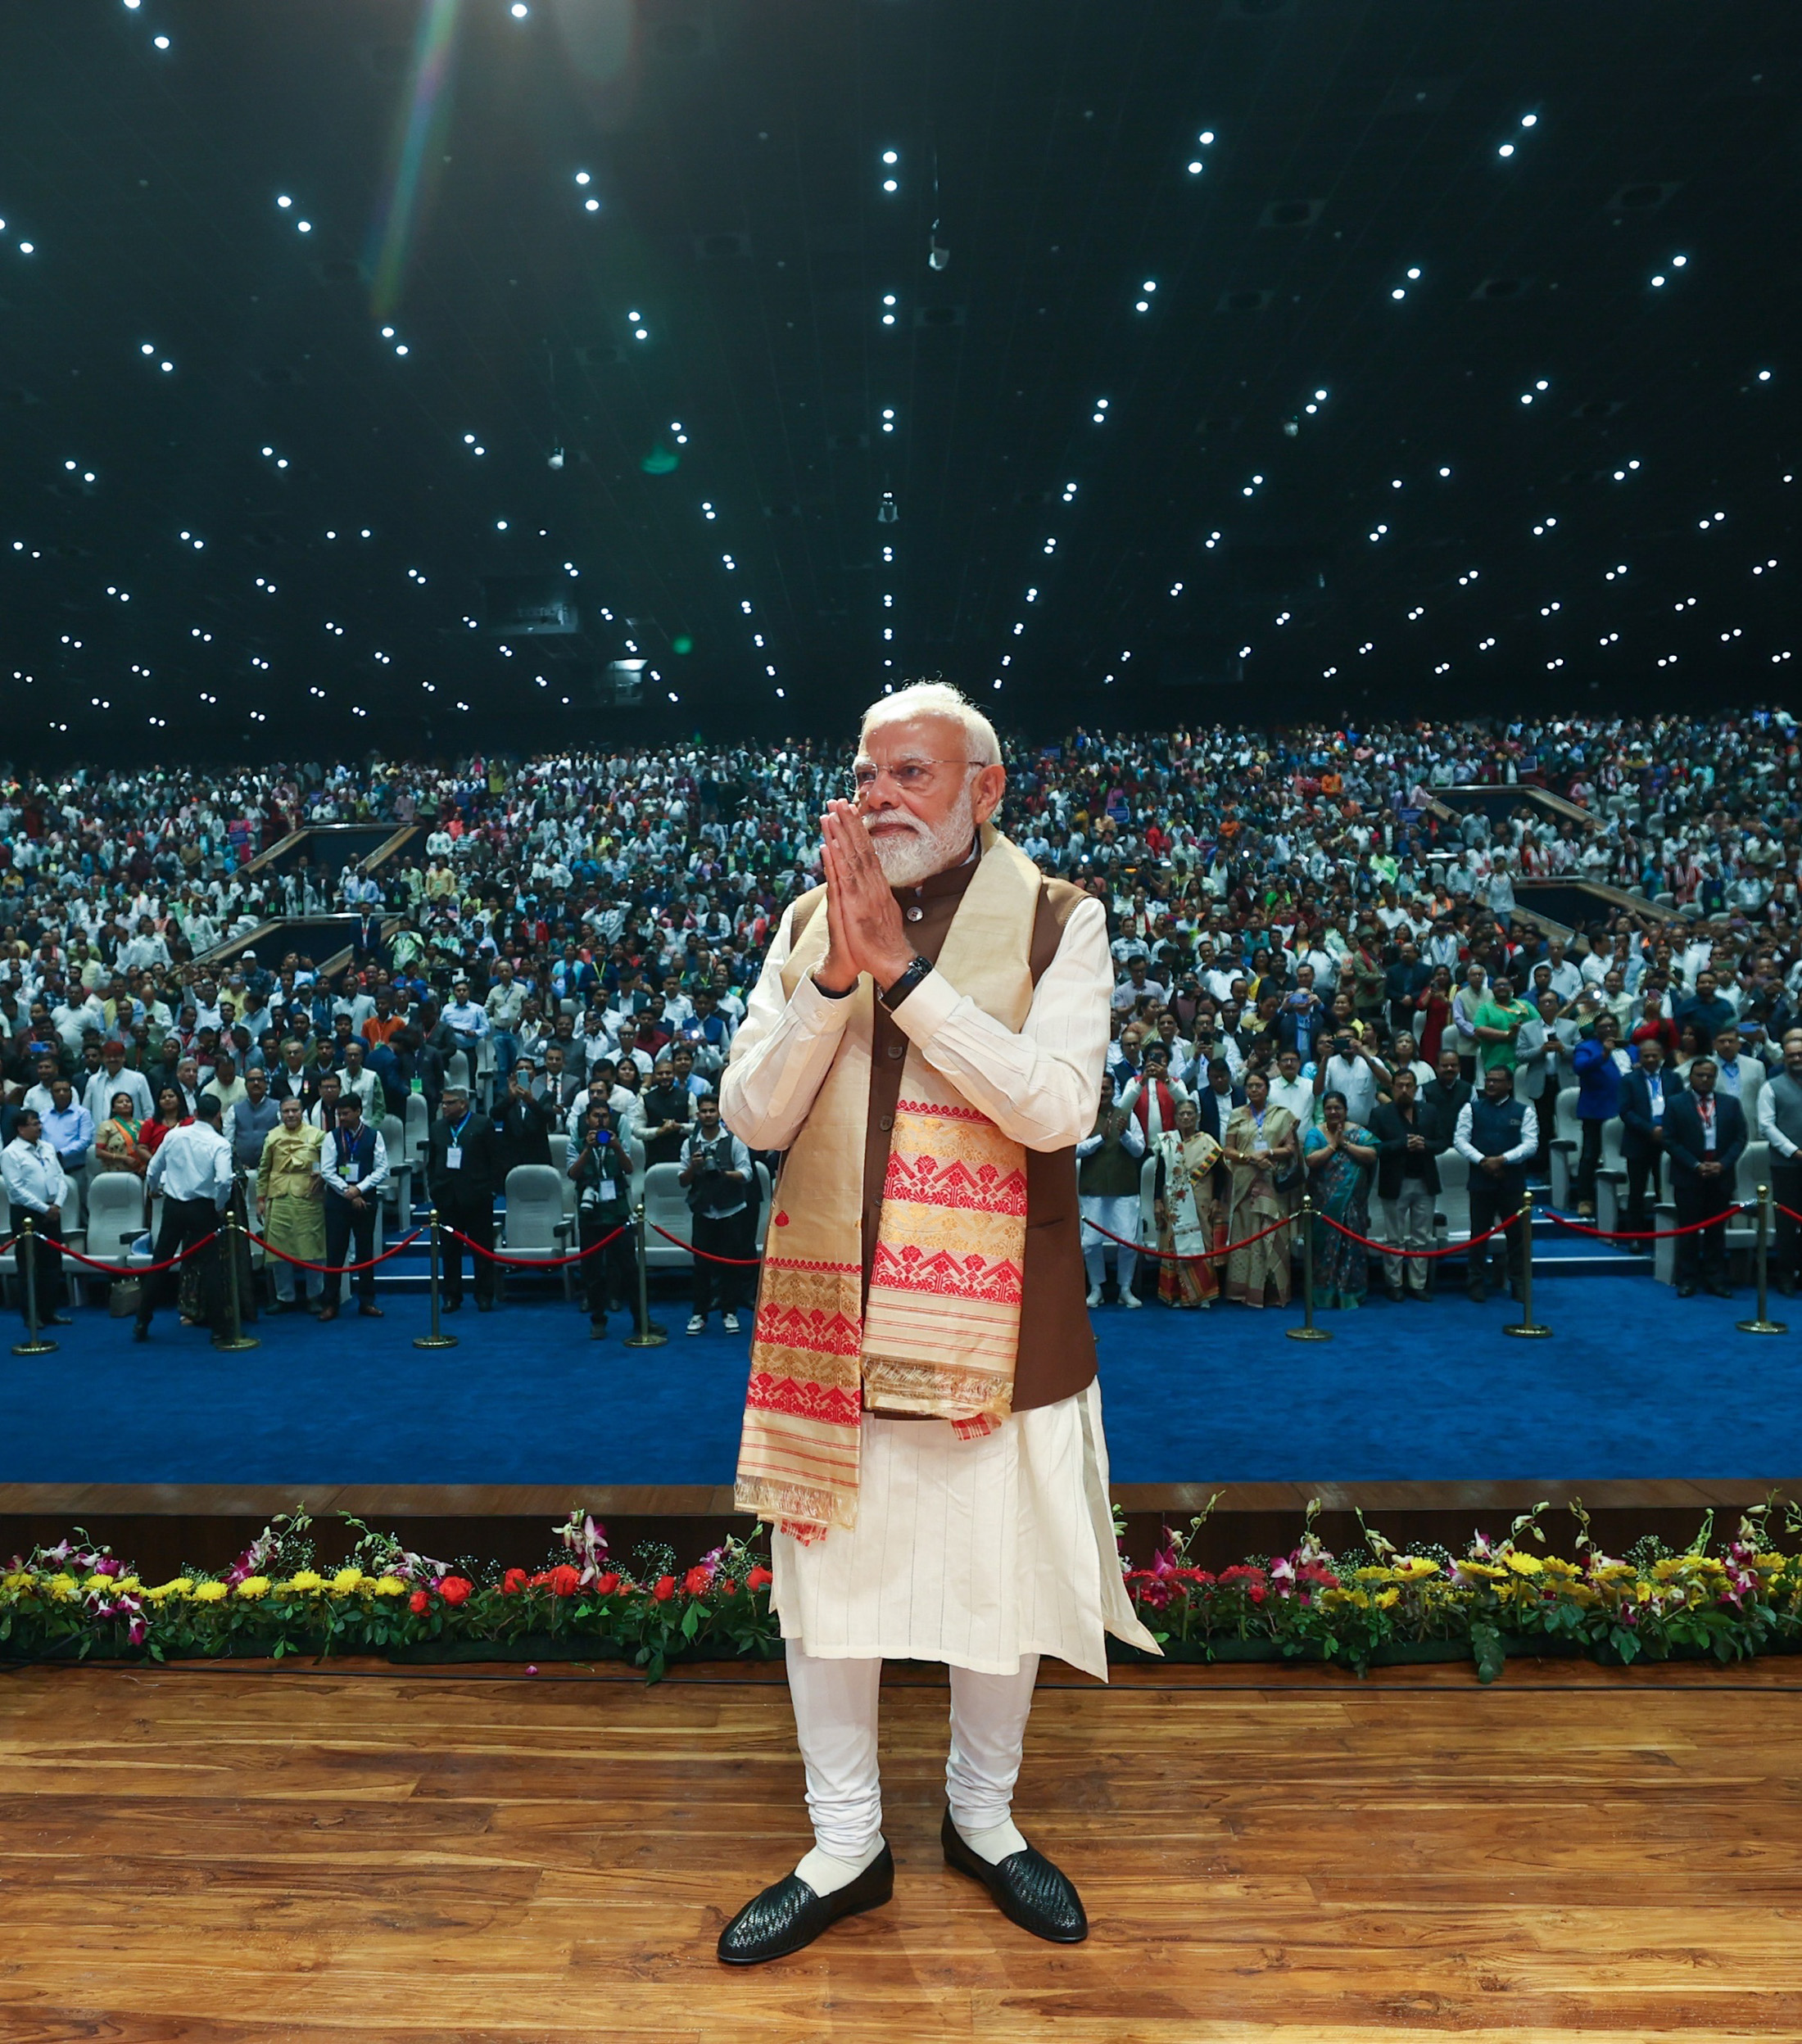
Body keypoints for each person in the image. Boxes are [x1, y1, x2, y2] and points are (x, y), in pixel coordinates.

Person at [715, 681, 1156, 1966]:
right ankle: (845, 1844)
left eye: (911, 773)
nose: (880, 797)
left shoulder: (1062, 920)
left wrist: (905, 980)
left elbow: (1056, 1109)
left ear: (985, 788)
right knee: (830, 1592)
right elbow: (754, 1115)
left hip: (1003, 1321)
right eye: (868, 775)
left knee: (996, 1577)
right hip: (830, 1315)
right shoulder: (811, 921)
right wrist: (834, 976)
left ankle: (982, 1818)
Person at [136, 1095, 233, 1341]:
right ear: (218, 1115)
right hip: (203, 1208)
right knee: (211, 1267)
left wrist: (154, 1189)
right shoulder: (219, 1143)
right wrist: (219, 1205)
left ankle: (142, 1321)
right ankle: (219, 1329)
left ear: (195, 1113)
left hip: (174, 1206)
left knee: (160, 1263)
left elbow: (153, 1169)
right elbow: (224, 1181)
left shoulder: (174, 1135)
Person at [1453, 1064, 1538, 1304]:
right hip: (1481, 1181)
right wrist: (1483, 1161)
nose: (1490, 1084)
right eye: (1488, 1080)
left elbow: (1530, 1145)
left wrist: (1502, 1159)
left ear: (1509, 1084)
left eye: (1496, 1080)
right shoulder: (1471, 1109)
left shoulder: (1524, 1111)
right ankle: (1475, 1282)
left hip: (1512, 1183)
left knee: (1517, 1237)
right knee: (1478, 1236)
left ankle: (1519, 1284)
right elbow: (1460, 1140)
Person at [1663, 1056, 1745, 1298]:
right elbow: (1669, 1140)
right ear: (1691, 1077)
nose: (1705, 1080)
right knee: (1688, 1231)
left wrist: (1723, 1164)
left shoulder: (1730, 1103)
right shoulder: (1676, 1103)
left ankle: (1715, 1278)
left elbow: (1740, 1138)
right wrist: (1695, 1165)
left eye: (1710, 1076)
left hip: (1721, 1175)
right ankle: (1688, 1278)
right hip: (1688, 1175)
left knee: (1716, 1232)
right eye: (1700, 1075)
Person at [678, 1092, 755, 1335]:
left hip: (731, 1212)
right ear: (698, 1114)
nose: (708, 1115)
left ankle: (729, 1312)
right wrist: (695, 1167)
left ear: (719, 1113)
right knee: (701, 1266)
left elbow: (747, 1173)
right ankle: (699, 1314)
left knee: (730, 1265)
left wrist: (724, 1173)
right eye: (704, 1111)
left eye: (712, 1111)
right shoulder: (689, 1144)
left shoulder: (734, 1141)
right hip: (703, 1213)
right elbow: (682, 1180)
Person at [1221, 1069, 1298, 1308]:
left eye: (1259, 1086)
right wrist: (1249, 1158)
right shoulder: (1237, 1115)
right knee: (1246, 1235)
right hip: (1245, 1183)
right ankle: (1244, 1291)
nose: (1254, 1089)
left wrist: (1269, 1153)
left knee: (1272, 1233)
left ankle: (1273, 1291)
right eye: (1250, 1086)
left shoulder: (1281, 1115)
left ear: (1267, 1089)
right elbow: (1228, 1150)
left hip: (1272, 1181)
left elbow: (1291, 1149)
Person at [426, 1084, 502, 1314]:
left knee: (482, 1249)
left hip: (477, 1197)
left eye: (450, 1103)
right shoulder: (437, 1128)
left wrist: (489, 1190)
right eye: (443, 1103)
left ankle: (484, 1295)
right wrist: (434, 1189)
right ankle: (452, 1296)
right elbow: (433, 1162)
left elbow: (495, 1159)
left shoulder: (482, 1124)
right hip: (447, 1197)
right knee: (449, 1251)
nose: (444, 1107)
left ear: (463, 1104)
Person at [1369, 1066, 1442, 1301]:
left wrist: (1425, 1145)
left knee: (1422, 1237)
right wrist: (1402, 1144)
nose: (1404, 1090)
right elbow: (1374, 1148)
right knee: (1394, 1237)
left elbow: (1443, 1142)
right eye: (1399, 1086)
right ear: (1392, 1088)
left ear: (1416, 1088)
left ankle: (1418, 1284)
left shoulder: (1429, 1111)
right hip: (1395, 1183)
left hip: (1425, 1181)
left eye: (1408, 1086)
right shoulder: (1380, 1114)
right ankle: (1395, 1284)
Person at [1075, 1071, 1145, 1308]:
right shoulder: (1084, 1117)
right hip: (1092, 1189)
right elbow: (1074, 1150)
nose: (1103, 1092)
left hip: (1124, 1189)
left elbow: (1139, 1150)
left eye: (1107, 1088)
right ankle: (1096, 1289)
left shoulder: (1128, 1115)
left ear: (1114, 1091)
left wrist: (1124, 1135)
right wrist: (1100, 1139)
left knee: (1127, 1242)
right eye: (1100, 1088)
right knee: (1090, 1243)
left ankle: (1125, 1289)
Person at [1302, 1090, 1378, 1308]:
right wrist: (1333, 1146)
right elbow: (1311, 1160)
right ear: (1323, 1111)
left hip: (1352, 1203)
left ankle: (1349, 1293)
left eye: (1338, 1108)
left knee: (1352, 1246)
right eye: (1329, 1108)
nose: (1333, 1112)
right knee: (1324, 1248)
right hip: (1324, 1205)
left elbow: (1372, 1155)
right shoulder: (1315, 1134)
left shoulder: (1359, 1133)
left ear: (1346, 1110)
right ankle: (1324, 1294)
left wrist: (1346, 1144)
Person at [318, 1094, 388, 1320]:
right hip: (337, 1203)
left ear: (358, 1111)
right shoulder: (331, 1137)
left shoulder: (374, 1136)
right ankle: (330, 1303)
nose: (342, 1118)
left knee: (365, 1252)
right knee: (335, 1253)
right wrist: (348, 1192)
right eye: (339, 1114)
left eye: (346, 1113)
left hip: (365, 1201)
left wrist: (358, 1189)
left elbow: (382, 1169)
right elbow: (327, 1170)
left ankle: (367, 1301)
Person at [568, 1094, 632, 1339]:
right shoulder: (576, 1144)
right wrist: (588, 1149)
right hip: (591, 1216)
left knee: (629, 1270)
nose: (601, 1120)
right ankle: (597, 1320)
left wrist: (616, 1147)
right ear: (587, 1119)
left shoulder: (618, 1141)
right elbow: (573, 1174)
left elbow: (629, 1169)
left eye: (605, 1116)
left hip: (617, 1213)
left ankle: (641, 1320)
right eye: (596, 1116)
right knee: (592, 1273)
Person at [2, 1108, 73, 1328]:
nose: (39, 1127)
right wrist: (43, 1209)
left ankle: (49, 1311)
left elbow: (60, 1177)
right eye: (33, 1124)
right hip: (27, 1215)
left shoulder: (48, 1148)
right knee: (29, 1266)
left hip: (52, 1211)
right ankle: (32, 1315)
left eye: (39, 1123)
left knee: (52, 1265)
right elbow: (16, 1189)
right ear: (21, 1129)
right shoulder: (11, 1153)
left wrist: (57, 1204)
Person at [256, 1096, 327, 1314]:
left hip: (309, 1196)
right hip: (279, 1196)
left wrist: (322, 1176)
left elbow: (328, 1164)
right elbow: (264, 1169)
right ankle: (284, 1297)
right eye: (286, 1111)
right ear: (280, 1113)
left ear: (302, 1112)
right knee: (279, 1251)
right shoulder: (272, 1136)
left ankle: (314, 1296)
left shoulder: (317, 1135)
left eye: (294, 1110)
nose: (290, 1115)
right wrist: (260, 1199)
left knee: (313, 1249)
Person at [1152, 1097, 1221, 1309]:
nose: (1186, 1117)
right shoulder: (1168, 1142)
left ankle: (1202, 1294)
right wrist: (1157, 1200)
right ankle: (1175, 1293)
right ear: (1175, 1118)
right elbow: (1160, 1173)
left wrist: (1217, 1199)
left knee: (1202, 1242)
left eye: (1190, 1113)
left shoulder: (1207, 1142)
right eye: (1181, 1114)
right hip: (1174, 1202)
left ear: (1197, 1117)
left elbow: (1220, 1173)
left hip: (1201, 1199)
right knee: (1173, 1244)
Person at [1757, 1030, 1802, 1296]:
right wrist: (1794, 1152)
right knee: (1786, 1223)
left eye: (1800, 1054)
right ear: (1784, 1058)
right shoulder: (1771, 1087)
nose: (1796, 1059)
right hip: (1786, 1166)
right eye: (1791, 1055)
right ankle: (1785, 1275)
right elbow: (1766, 1126)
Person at [1619, 1038, 1677, 1240]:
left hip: (1668, 1142)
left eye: (1654, 1055)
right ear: (1640, 1057)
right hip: (1638, 1141)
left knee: (1665, 1190)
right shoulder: (1629, 1080)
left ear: (1662, 1056)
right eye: (1646, 1056)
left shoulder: (1673, 1078)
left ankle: (1665, 1235)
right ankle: (1635, 1235)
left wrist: (1666, 1129)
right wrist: (1650, 1129)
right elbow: (1626, 1112)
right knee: (1637, 1191)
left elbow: (1680, 1106)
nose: (1651, 1059)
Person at [1570, 1014, 1624, 1219]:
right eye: (1603, 1026)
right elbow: (1580, 1067)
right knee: (1590, 1156)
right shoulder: (1586, 1048)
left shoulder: (1629, 1048)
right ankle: (1585, 1199)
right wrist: (1604, 1054)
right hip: (1596, 1110)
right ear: (1596, 1029)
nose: (1608, 1030)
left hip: (1626, 1110)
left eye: (1612, 1026)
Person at [82, 1038, 154, 1126]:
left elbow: (148, 1110)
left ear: (124, 1058)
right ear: (103, 1059)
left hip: (132, 1132)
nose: (112, 1059)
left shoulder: (138, 1079)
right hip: (101, 1132)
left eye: (116, 1056)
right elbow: (86, 1111)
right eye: (108, 1056)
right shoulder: (93, 1081)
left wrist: (145, 1131)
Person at [93, 1088, 151, 1178]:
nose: (125, 1104)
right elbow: (99, 1152)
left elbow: (151, 1148)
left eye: (128, 1101)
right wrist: (123, 1158)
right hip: (116, 1173)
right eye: (120, 1102)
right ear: (113, 1108)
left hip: (144, 1171)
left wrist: (147, 1164)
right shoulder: (106, 1125)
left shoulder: (143, 1125)